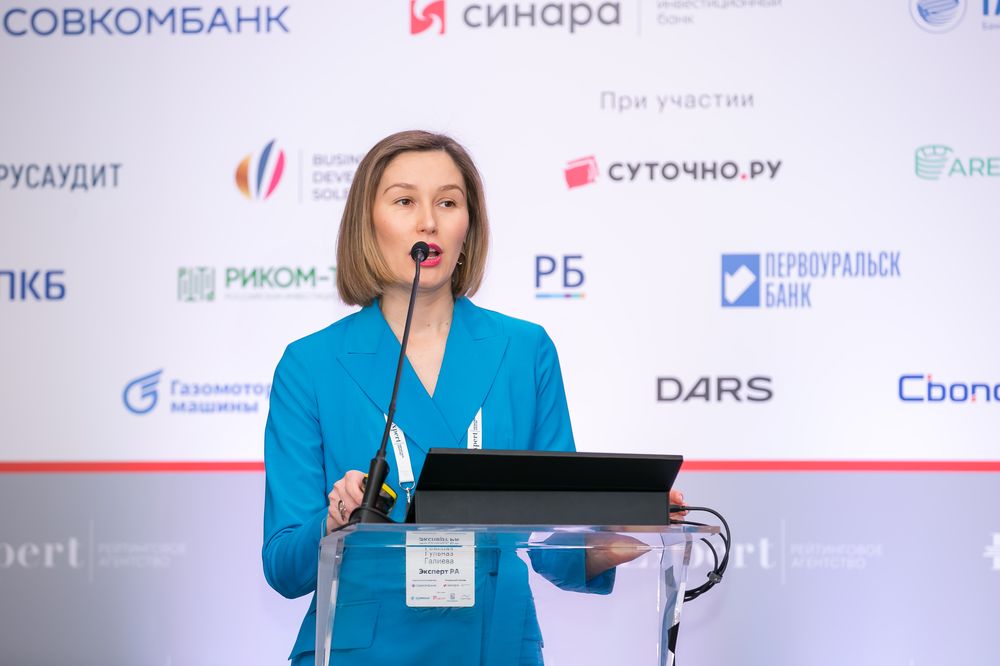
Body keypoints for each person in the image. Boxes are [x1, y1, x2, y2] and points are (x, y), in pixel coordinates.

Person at [262, 130, 685, 665]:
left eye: (447, 202)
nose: (428, 222)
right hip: (362, 650)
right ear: (367, 224)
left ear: (470, 224)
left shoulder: (524, 350)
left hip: (497, 645)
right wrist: (334, 521)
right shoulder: (310, 364)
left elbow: (555, 544)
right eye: (404, 201)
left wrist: (617, 533)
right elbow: (283, 564)